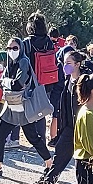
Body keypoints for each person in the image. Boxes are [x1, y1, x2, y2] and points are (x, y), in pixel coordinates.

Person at [0, 38, 52, 177]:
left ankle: (50, 163)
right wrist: (7, 82)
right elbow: (5, 83)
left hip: (22, 105)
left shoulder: (23, 61)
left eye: (15, 48)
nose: (11, 51)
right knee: (0, 135)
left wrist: (6, 81)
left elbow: (17, 84)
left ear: (21, 48)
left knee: (32, 137)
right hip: (11, 105)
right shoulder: (10, 63)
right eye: (9, 48)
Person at [37, 51, 89, 184]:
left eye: (68, 63)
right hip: (69, 127)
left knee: (83, 163)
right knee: (60, 154)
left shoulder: (85, 82)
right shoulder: (67, 81)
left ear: (77, 64)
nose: (65, 66)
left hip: (83, 129)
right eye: (64, 63)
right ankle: (48, 182)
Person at [22, 11, 56, 140]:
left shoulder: (27, 42)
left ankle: (31, 138)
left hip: (30, 82)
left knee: (27, 111)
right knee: (41, 112)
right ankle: (40, 138)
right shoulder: (48, 41)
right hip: (46, 81)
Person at [0, 50, 20, 148]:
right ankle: (15, 139)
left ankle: (6, 139)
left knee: (4, 120)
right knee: (16, 119)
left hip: (3, 99)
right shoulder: (15, 68)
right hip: (14, 98)